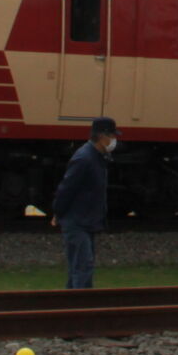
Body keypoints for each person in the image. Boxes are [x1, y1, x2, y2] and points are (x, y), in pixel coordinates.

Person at [51, 116, 118, 289]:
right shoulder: (86, 159)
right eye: (112, 135)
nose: (114, 140)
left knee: (79, 267)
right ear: (102, 135)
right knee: (83, 266)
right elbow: (66, 189)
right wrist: (58, 212)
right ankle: (81, 308)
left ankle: (73, 308)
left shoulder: (95, 157)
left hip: (85, 221)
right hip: (78, 221)